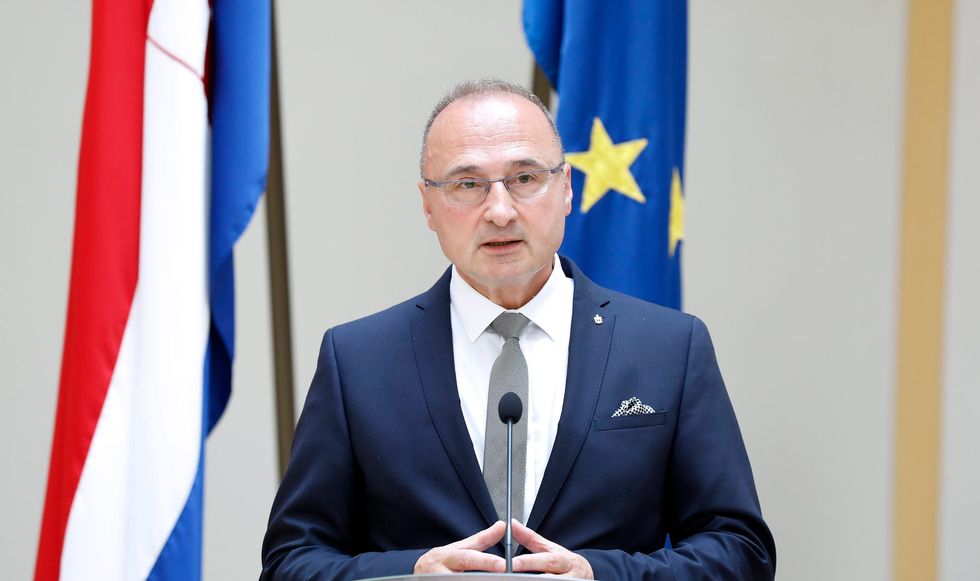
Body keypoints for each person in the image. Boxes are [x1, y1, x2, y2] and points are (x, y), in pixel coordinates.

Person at [260, 79, 776, 580]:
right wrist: (409, 573)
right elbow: (290, 560)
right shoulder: (357, 361)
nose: (501, 211)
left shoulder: (669, 348)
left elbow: (741, 551)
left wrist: (601, 574)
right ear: (428, 205)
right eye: (468, 185)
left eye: (525, 178)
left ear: (567, 187)